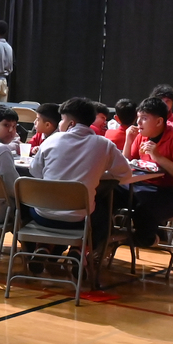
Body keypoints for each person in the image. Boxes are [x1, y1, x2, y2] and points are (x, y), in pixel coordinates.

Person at [30, 97, 133, 247]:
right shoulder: (104, 145)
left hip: (43, 216)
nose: (60, 124)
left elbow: (35, 172)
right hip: (80, 219)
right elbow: (126, 174)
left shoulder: (51, 140)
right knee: (103, 211)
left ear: (71, 124)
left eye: (62, 120)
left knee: (23, 206)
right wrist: (98, 174)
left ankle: (40, 247)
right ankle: (80, 251)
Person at [118, 96, 173, 247]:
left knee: (144, 208)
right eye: (138, 118)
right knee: (109, 192)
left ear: (159, 121)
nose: (138, 122)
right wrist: (128, 140)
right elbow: (126, 163)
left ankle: (145, 239)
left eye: (144, 118)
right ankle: (103, 237)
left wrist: (158, 157)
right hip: (145, 186)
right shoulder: (141, 136)